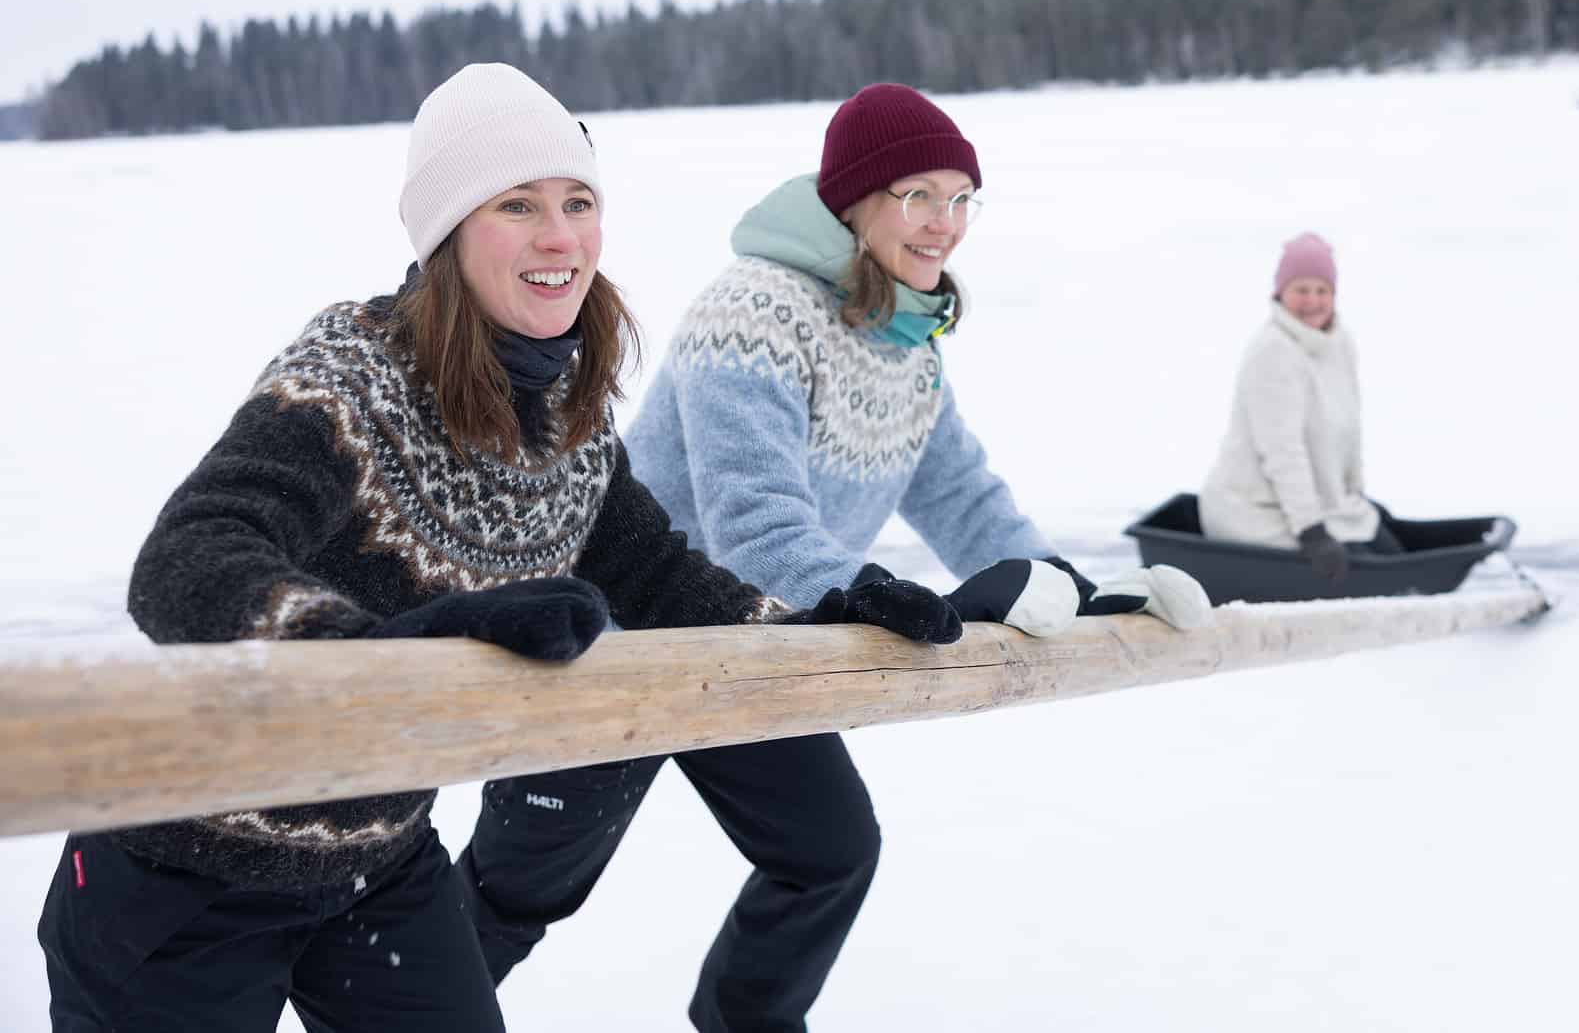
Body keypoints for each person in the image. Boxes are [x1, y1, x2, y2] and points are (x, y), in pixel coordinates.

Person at [36, 64, 957, 1033]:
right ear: (448, 231)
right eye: (516, 204)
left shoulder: (563, 411)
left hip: (375, 865)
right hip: (188, 871)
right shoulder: (352, 373)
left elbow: (657, 575)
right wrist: (390, 645)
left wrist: (820, 619)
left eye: (577, 202)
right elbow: (188, 562)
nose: (559, 236)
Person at [461, 81, 1207, 1032]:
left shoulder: (907, 338)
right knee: (524, 888)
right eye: (916, 196)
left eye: (960, 197)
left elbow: (964, 496)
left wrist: (1077, 590)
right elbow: (755, 524)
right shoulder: (757, 310)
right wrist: (860, 592)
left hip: (759, 641)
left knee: (828, 852)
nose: (943, 224)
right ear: (855, 202)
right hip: (625, 639)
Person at [1198, 232, 1400, 584]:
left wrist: (1354, 496)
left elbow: (1350, 429)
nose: (1312, 302)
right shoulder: (1274, 352)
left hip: (1313, 503)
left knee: (1387, 544)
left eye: (1322, 291)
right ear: (1280, 293)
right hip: (1254, 512)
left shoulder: (1338, 343)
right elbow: (1282, 451)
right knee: (1376, 571)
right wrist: (1312, 532)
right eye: (1301, 290)